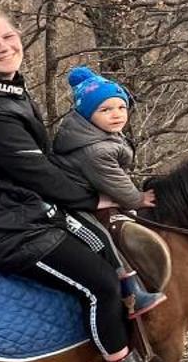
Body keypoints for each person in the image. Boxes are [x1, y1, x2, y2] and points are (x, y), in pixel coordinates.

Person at [0, 0, 178, 362]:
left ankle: (134, 295)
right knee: (99, 284)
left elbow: (31, 166)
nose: (4, 47)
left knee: (98, 238)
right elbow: (36, 171)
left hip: (3, 206)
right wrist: (94, 198)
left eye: (7, 35)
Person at [54, 65, 167, 317]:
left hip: (91, 193)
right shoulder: (95, 150)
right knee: (101, 238)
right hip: (73, 202)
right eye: (104, 110)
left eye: (121, 107)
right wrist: (137, 198)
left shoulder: (99, 134)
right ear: (86, 114)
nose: (116, 115)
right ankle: (131, 293)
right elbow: (115, 182)